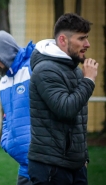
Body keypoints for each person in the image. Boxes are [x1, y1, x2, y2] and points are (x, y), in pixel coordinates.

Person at [28, 13, 98, 185]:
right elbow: (66, 109)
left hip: (76, 165)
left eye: (87, 38)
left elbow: (77, 122)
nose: (87, 44)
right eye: (81, 38)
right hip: (51, 167)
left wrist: (83, 157)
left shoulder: (72, 68)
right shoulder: (45, 69)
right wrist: (88, 80)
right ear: (62, 40)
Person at [0, 30, 35, 185]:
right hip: (25, 168)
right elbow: (7, 117)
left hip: (44, 164)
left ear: (6, 53)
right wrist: (6, 141)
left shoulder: (33, 68)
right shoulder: (4, 81)